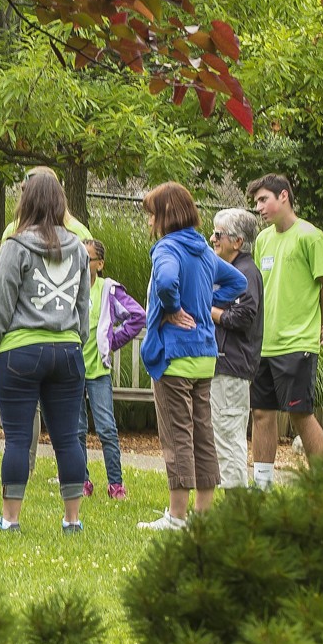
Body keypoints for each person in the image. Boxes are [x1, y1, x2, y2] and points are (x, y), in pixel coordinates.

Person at [0, 168, 90, 533]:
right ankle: (72, 520)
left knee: (18, 438)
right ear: (61, 202)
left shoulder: (16, 245)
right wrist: (76, 341)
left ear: (25, 201)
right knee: (67, 438)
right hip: (68, 352)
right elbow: (83, 306)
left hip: (21, 352)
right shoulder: (79, 248)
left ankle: (10, 520)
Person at [136, 183, 248, 531]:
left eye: (153, 214)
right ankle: (202, 514)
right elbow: (237, 282)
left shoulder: (167, 247)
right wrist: (203, 304)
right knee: (203, 433)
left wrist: (173, 308)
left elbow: (167, 281)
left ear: (165, 214)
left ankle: (177, 517)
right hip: (205, 355)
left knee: (178, 435)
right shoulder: (201, 248)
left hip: (175, 357)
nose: (150, 221)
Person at [247, 174, 323, 489]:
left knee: (301, 415)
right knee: (261, 413)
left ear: (284, 196)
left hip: (297, 344)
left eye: (264, 200)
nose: (259, 207)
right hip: (266, 345)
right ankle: (262, 486)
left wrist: (318, 321)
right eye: (256, 202)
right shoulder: (263, 241)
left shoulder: (311, 237)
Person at [80, 238, 146, 500]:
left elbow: (137, 316)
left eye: (88, 259)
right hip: (71, 371)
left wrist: (112, 340)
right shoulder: (66, 288)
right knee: (75, 430)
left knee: (106, 428)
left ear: (100, 264)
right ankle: (80, 482)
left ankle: (115, 484)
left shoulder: (108, 290)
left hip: (97, 373)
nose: (82, 264)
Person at [208, 208, 263, 490]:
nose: (212, 238)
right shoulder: (232, 270)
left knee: (229, 434)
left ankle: (236, 502)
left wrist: (210, 311)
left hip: (232, 365)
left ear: (237, 242)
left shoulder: (246, 273)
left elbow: (244, 316)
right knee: (222, 433)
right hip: (224, 364)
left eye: (218, 234)